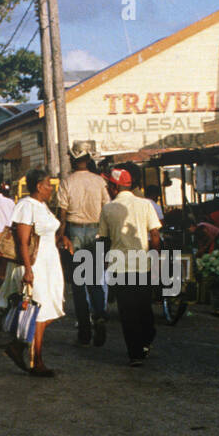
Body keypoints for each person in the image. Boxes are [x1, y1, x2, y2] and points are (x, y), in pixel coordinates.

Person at [3, 169, 64, 377]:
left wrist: (63, 239)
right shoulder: (26, 206)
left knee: (47, 310)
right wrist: (28, 270)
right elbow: (22, 240)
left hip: (49, 263)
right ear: (39, 186)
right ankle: (36, 360)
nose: (51, 189)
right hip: (35, 264)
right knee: (38, 311)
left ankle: (19, 347)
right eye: (48, 185)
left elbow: (47, 234)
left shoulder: (42, 206)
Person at [99, 163, 161, 367]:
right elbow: (155, 235)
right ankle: (146, 339)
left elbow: (104, 240)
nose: (108, 188)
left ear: (115, 188)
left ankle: (135, 353)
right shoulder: (146, 205)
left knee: (127, 311)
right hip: (143, 264)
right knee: (143, 307)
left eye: (109, 185)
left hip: (119, 266)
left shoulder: (108, 209)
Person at [55, 151, 110, 346]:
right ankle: (100, 316)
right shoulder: (99, 182)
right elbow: (106, 209)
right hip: (96, 230)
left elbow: (62, 213)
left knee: (78, 285)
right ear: (87, 161)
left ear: (73, 160)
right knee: (95, 281)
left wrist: (61, 235)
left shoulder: (67, 182)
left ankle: (85, 332)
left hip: (75, 231)